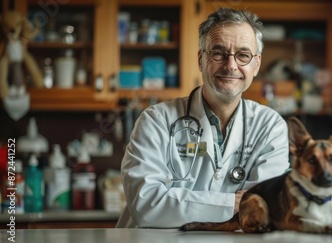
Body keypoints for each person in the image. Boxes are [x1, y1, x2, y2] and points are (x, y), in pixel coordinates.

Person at [116, 7, 290, 228]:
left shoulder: (270, 126)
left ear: (256, 65)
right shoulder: (156, 120)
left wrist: (175, 202)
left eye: (243, 55)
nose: (230, 65)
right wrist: (230, 203)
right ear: (200, 59)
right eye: (218, 53)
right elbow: (147, 205)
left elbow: (265, 210)